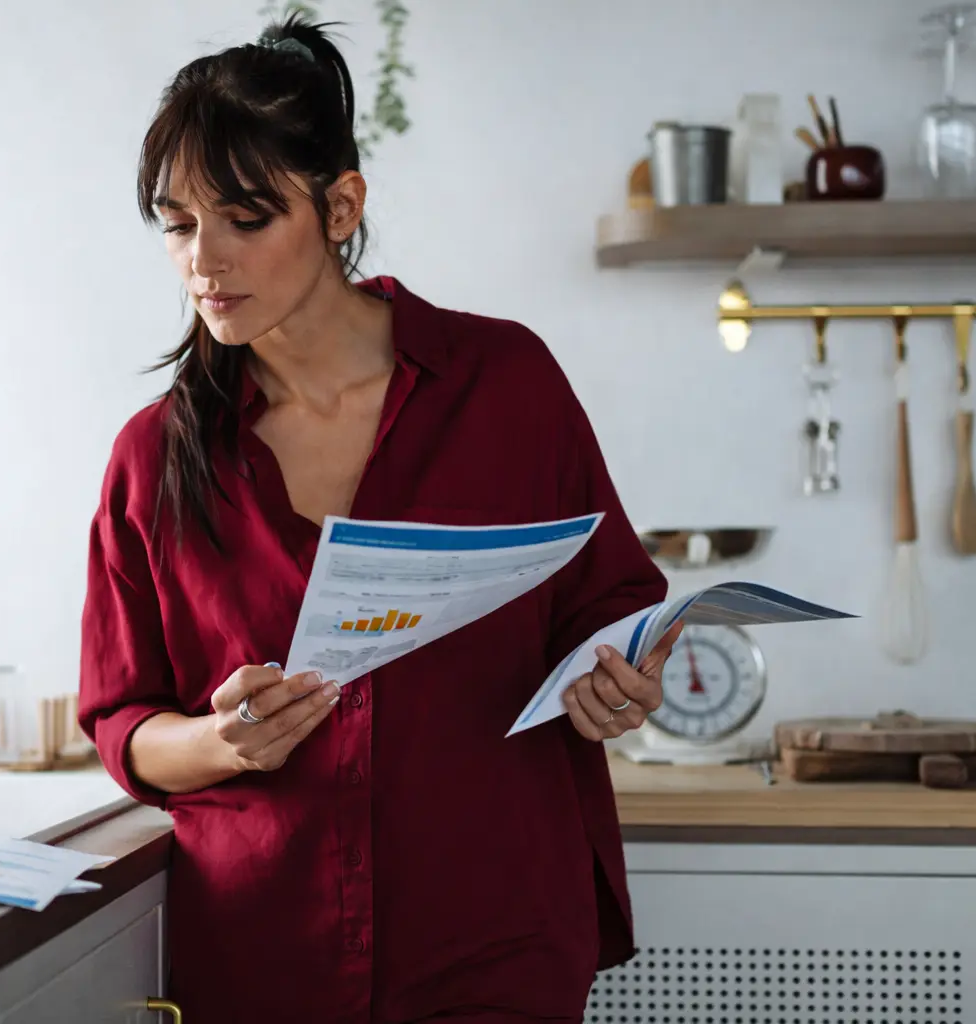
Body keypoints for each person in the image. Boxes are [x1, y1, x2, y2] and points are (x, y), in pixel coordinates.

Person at [78, 15, 682, 1024]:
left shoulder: (507, 385)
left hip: (491, 937)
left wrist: (619, 681)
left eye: (246, 217)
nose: (204, 261)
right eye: (178, 223)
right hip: (261, 952)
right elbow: (122, 724)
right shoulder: (155, 458)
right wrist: (224, 742)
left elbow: (613, 601)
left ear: (341, 205)